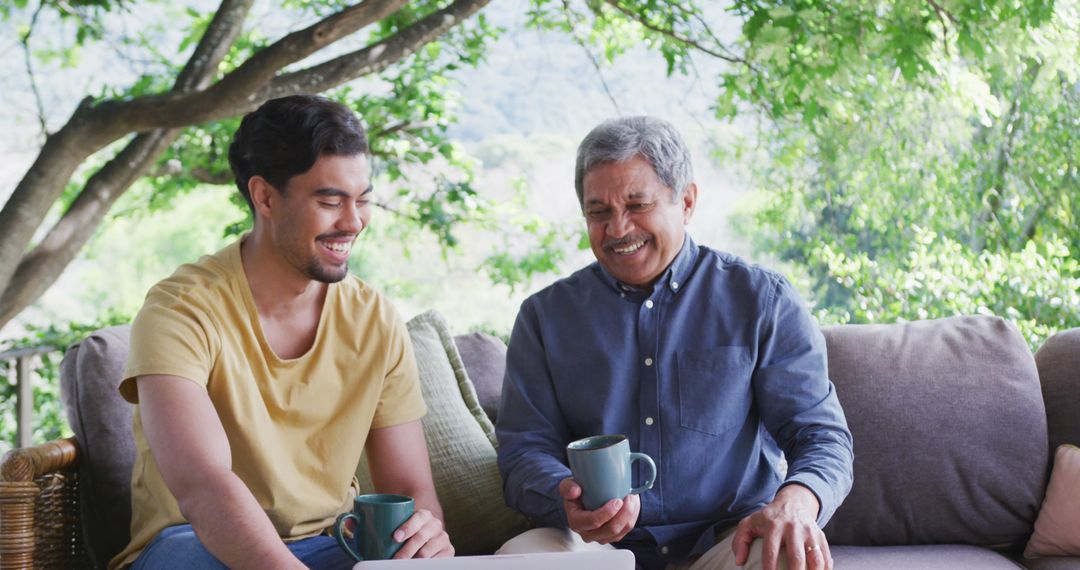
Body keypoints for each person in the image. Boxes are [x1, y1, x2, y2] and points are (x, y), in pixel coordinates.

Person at [110, 95, 453, 570]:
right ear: (265, 197)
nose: (353, 222)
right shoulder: (180, 311)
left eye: (363, 199)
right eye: (330, 201)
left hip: (332, 544)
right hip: (198, 545)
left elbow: (412, 490)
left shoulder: (375, 318)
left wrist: (424, 535)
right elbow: (203, 487)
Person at [495, 116, 854, 570]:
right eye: (599, 212)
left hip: (730, 541)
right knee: (519, 559)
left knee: (786, 555)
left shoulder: (762, 300)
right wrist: (565, 495)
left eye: (637, 205)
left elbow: (822, 436)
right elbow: (523, 452)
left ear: (686, 201)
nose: (618, 229)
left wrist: (797, 502)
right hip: (597, 551)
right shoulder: (544, 318)